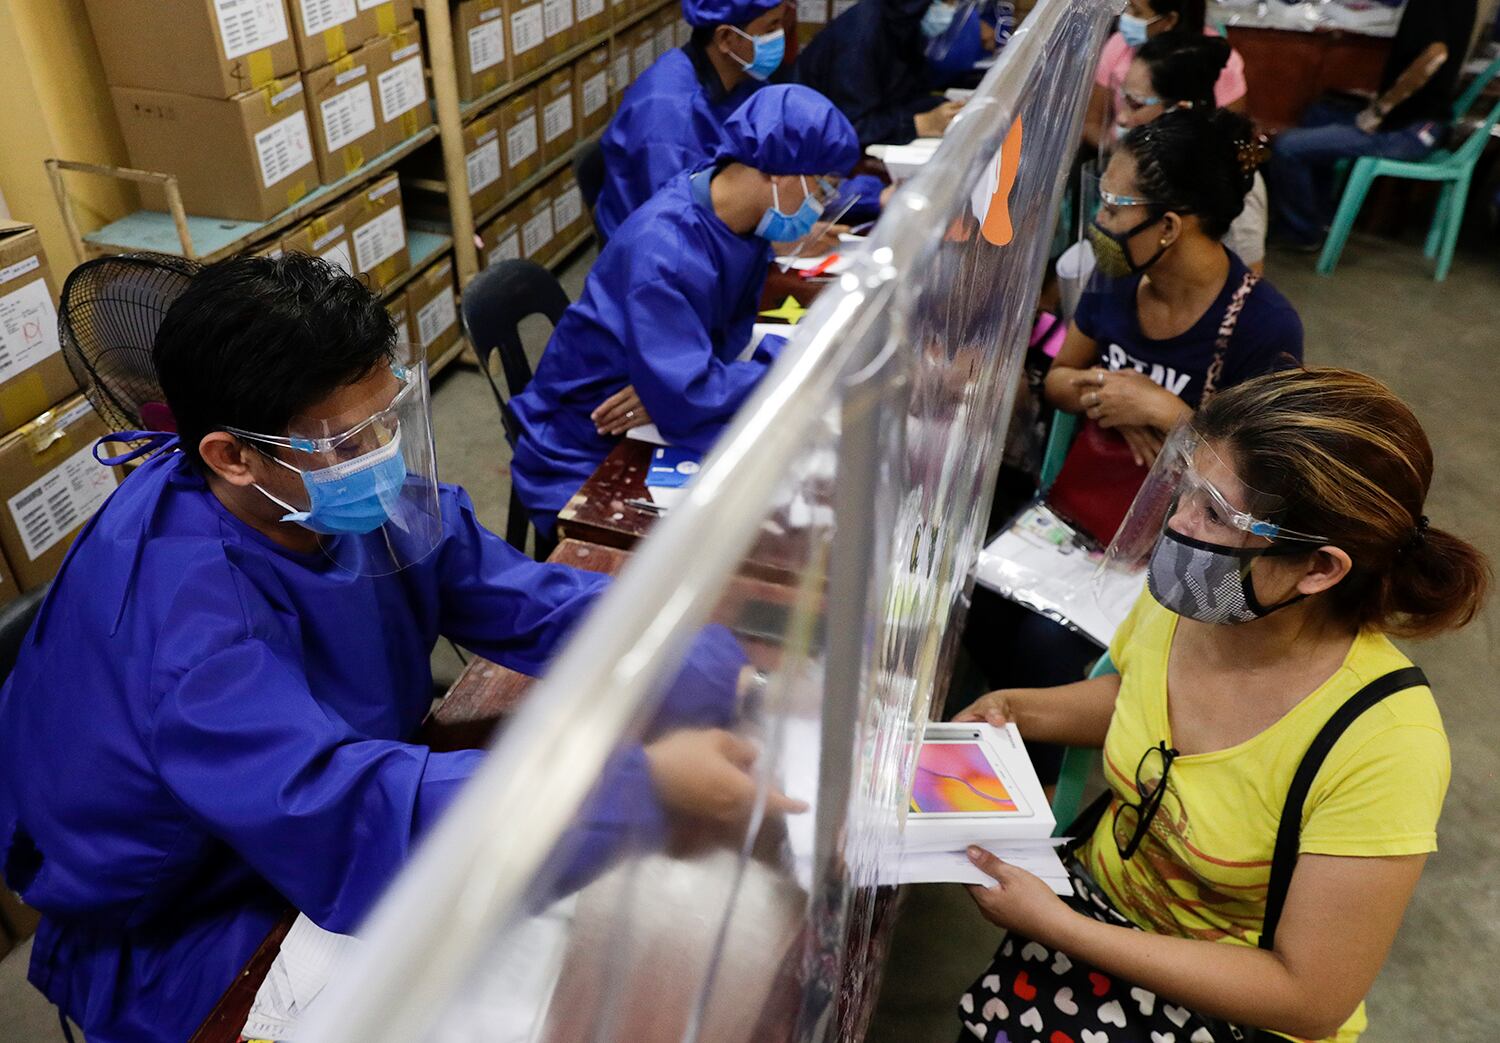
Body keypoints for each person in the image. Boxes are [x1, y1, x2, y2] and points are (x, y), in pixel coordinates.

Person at [0, 255, 793, 1043]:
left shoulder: (322, 493)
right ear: (232, 456)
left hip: (304, 814)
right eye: (351, 438)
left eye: (389, 417)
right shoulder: (190, 635)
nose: (382, 453)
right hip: (187, 918)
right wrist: (637, 787)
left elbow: (526, 597)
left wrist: (708, 664)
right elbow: (342, 810)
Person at [953, 367, 1489, 1043]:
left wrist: (1061, 927)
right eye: (1185, 490)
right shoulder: (1199, 602)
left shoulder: (1384, 745)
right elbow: (1137, 698)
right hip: (1091, 923)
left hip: (1225, 1011)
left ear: (1320, 568)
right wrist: (1021, 709)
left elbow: (1309, 995)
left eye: (1213, 510)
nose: (1179, 522)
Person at [958, 108, 1301, 731]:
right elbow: (1059, 380)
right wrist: (1109, 394)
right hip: (1086, 514)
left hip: (1187, 546)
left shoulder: (1262, 325)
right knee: (972, 597)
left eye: (1115, 208)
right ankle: (1024, 746)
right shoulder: (1118, 283)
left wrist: (1172, 415)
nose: (1098, 223)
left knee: (1048, 649)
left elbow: (1265, 478)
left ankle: (1035, 762)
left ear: (1169, 225)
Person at [509, 85, 859, 538]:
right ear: (782, 174)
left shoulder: (731, 213)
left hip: (651, 399)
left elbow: (720, 344)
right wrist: (794, 365)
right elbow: (692, 395)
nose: (822, 204)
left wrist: (671, 383)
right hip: (582, 442)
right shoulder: (667, 251)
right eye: (823, 187)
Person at [1267, 0, 1478, 250]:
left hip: (1409, 130)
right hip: (1418, 122)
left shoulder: (1430, 5)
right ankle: (1319, 216)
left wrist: (1381, 109)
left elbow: (1435, 56)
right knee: (1320, 113)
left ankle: (1301, 231)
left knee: (1287, 146)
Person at [592, 0, 786, 241]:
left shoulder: (744, 76)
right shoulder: (670, 116)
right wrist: (773, 246)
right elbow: (678, 228)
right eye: (770, 29)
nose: (781, 37)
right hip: (661, 256)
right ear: (726, 38)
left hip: (725, 228)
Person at [1114, 32, 1266, 272]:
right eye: (1123, 98)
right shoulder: (1147, 163)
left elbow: (1247, 284)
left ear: (1179, 109)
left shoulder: (1229, 186)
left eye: (1136, 104)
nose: (1121, 118)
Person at [791, 0, 967, 147]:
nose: (951, 8)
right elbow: (849, 128)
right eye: (946, 1)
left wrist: (947, 108)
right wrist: (917, 125)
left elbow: (906, 96)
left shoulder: (906, 23)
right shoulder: (861, 35)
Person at [1081, 0, 1247, 150]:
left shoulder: (1216, 65)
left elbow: (1229, 142)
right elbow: (1092, 123)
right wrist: (1123, 155)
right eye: (1127, 8)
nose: (1125, 18)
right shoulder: (1118, 46)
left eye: (1137, 11)